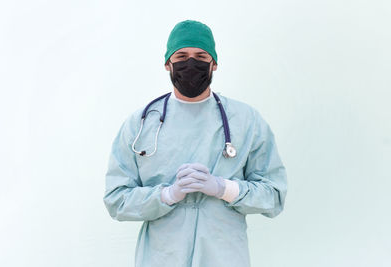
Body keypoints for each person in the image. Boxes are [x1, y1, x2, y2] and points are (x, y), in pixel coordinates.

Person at [103, 19, 287, 267]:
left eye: (201, 55)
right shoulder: (141, 125)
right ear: (168, 64)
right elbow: (116, 199)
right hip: (162, 257)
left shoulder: (246, 121)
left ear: (215, 64)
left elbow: (274, 196)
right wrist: (167, 195)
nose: (191, 63)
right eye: (181, 56)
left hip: (223, 255)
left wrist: (225, 188)